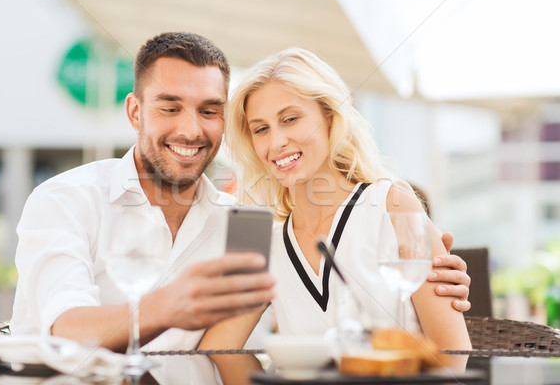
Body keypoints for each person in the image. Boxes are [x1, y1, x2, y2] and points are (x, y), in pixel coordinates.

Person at [11, 33, 469, 356]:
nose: (190, 128)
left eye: (209, 111)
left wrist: (435, 273)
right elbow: (65, 328)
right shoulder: (66, 200)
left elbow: (448, 345)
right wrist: (168, 306)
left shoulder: (245, 224)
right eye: (170, 107)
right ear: (135, 111)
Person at [199, 47, 471, 380]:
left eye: (290, 119)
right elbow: (220, 346)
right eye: (261, 129)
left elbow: (452, 357)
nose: (277, 141)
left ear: (330, 117)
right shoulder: (266, 243)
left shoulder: (392, 204)